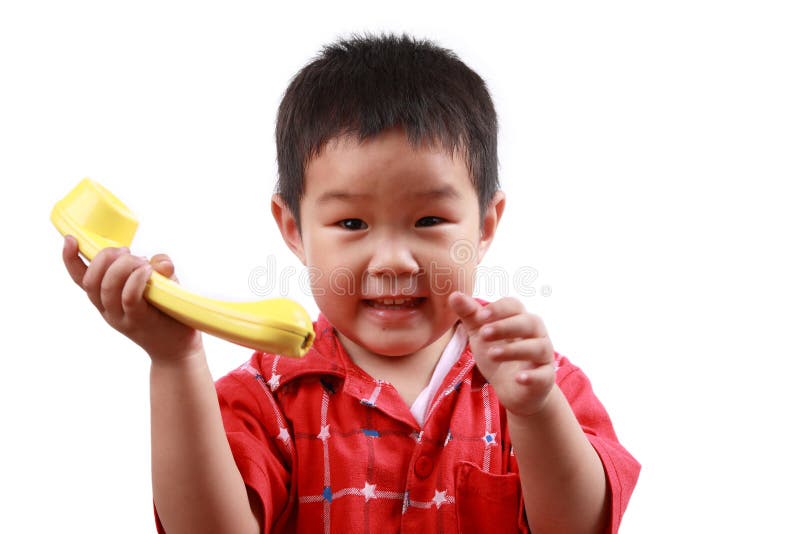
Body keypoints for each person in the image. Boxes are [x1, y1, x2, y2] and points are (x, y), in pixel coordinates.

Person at [61, 33, 639, 534]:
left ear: (485, 225)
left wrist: (538, 413)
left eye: (430, 221)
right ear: (294, 227)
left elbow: (583, 528)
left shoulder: (539, 381)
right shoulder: (268, 396)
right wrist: (175, 360)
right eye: (352, 223)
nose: (391, 260)